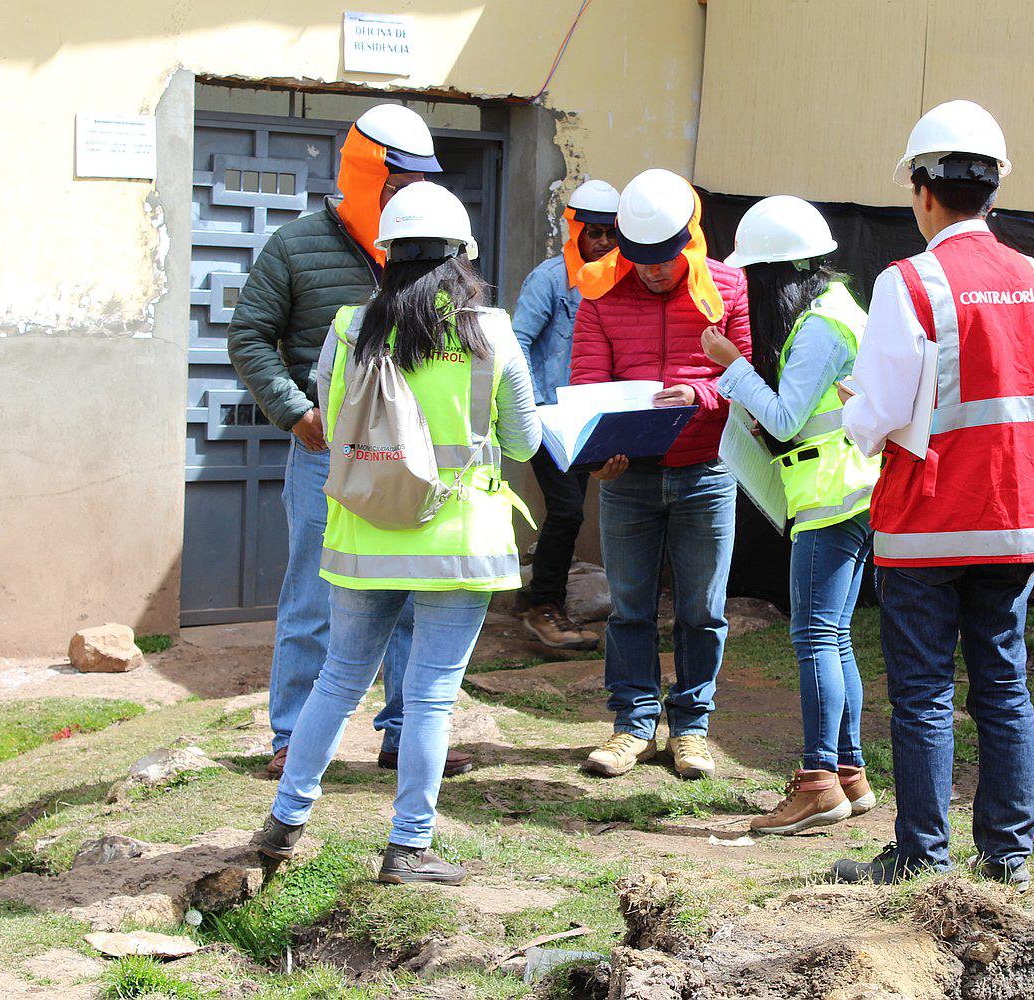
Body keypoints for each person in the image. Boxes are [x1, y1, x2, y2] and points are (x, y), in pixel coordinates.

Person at [829, 101, 1034, 889]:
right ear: (992, 189)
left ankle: (920, 857)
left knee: (924, 693)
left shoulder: (910, 282)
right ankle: (1007, 857)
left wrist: (852, 412)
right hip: (1017, 522)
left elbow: (874, 417)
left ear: (922, 188)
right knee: (1003, 683)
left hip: (926, 524)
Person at [257, 182, 540, 885]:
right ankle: (408, 848)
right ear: (462, 259)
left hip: (365, 533)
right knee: (432, 694)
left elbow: (329, 415)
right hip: (457, 541)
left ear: (386, 256)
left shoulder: (350, 328)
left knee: (338, 679)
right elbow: (528, 444)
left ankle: (285, 822)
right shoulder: (492, 332)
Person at [228, 104, 472, 780]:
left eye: (420, 179)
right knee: (313, 594)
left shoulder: (429, 241)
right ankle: (291, 738)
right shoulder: (297, 245)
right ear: (368, 172)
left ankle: (401, 733)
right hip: (322, 452)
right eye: (397, 179)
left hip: (413, 456)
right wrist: (295, 410)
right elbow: (249, 335)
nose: (408, 192)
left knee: (409, 590)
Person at [701, 195, 880, 834]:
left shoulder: (819, 329)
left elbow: (784, 417)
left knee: (814, 639)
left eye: (754, 277)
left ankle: (818, 782)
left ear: (775, 273)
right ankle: (849, 775)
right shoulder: (838, 311)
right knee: (834, 636)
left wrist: (733, 367)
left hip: (831, 496)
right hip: (851, 491)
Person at [570, 168, 751, 781]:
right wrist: (602, 450)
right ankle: (632, 726)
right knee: (629, 607)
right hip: (630, 476)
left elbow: (744, 378)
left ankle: (692, 728)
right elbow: (587, 385)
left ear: (689, 239)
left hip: (706, 468)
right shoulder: (597, 290)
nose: (651, 270)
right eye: (639, 258)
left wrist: (700, 395)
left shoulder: (726, 287)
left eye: (664, 259)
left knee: (702, 608)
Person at [511, 180, 620, 650]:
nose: (602, 243)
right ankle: (543, 609)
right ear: (574, 230)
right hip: (548, 416)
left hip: (592, 416)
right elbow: (515, 343)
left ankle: (541, 600)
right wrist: (532, 409)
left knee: (571, 513)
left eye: (611, 233)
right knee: (567, 509)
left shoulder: (619, 280)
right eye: (593, 232)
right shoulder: (550, 279)